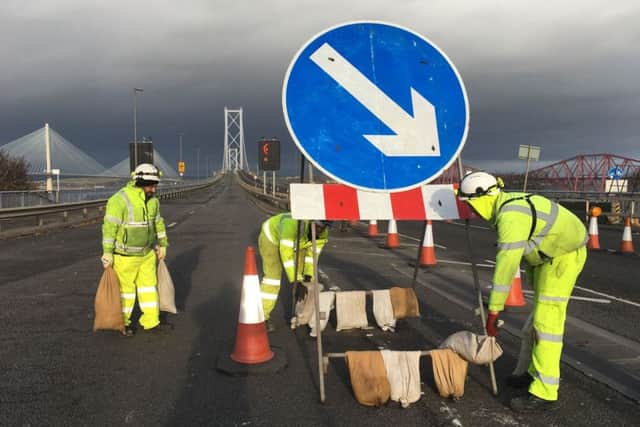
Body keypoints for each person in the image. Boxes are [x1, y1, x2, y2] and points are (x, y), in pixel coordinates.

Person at [457, 171, 587, 412]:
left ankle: (545, 393)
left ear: (482, 198)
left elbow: (506, 265)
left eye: (472, 206)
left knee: (546, 326)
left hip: (562, 258)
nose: (473, 213)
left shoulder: (510, 216)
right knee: (534, 324)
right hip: (546, 259)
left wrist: (494, 311)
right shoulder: (506, 204)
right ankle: (532, 374)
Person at [101, 163, 170, 336]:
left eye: (155, 185)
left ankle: (151, 321)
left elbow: (158, 223)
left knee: (149, 288)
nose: (153, 189)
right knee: (126, 292)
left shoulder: (153, 201)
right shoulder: (119, 200)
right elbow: (109, 228)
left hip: (147, 254)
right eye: (150, 185)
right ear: (140, 182)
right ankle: (122, 323)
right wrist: (107, 252)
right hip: (125, 256)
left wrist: (162, 245)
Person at [258, 212, 331, 332]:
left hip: (299, 242)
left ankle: (302, 314)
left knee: (307, 282)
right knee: (272, 279)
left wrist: (307, 276)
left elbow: (312, 256)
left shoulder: (323, 233)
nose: (319, 230)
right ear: (310, 221)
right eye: (317, 226)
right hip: (272, 239)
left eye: (323, 227)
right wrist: (295, 281)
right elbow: (286, 255)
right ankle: (261, 317)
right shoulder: (292, 224)